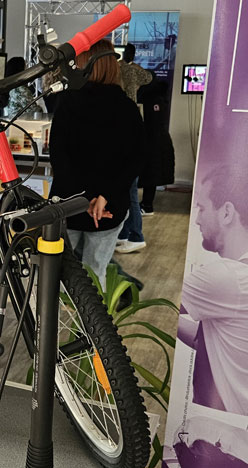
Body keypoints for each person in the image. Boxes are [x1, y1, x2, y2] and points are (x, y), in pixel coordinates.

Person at [48, 39, 144, 288]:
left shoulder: (68, 103)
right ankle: (91, 328)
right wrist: (102, 196)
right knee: (96, 274)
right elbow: (133, 161)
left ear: (84, 63)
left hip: (68, 205)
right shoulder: (127, 109)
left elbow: (59, 157)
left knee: (55, 275)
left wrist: (84, 197)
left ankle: (46, 326)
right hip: (108, 208)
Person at [177, 164, 248, 415]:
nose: (196, 219)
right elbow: (214, 340)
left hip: (225, 423)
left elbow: (162, 307)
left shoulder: (227, 276)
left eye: (202, 208)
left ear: (227, 212)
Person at [115, 44, 152, 254]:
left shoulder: (118, 69)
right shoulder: (136, 70)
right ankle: (125, 234)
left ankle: (135, 234)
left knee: (129, 193)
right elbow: (149, 78)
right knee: (129, 193)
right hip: (132, 119)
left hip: (123, 124)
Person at [137, 78, 175, 215]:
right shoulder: (162, 100)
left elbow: (148, 124)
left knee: (149, 175)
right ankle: (147, 204)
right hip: (161, 143)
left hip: (151, 144)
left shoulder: (150, 101)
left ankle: (146, 205)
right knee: (152, 177)